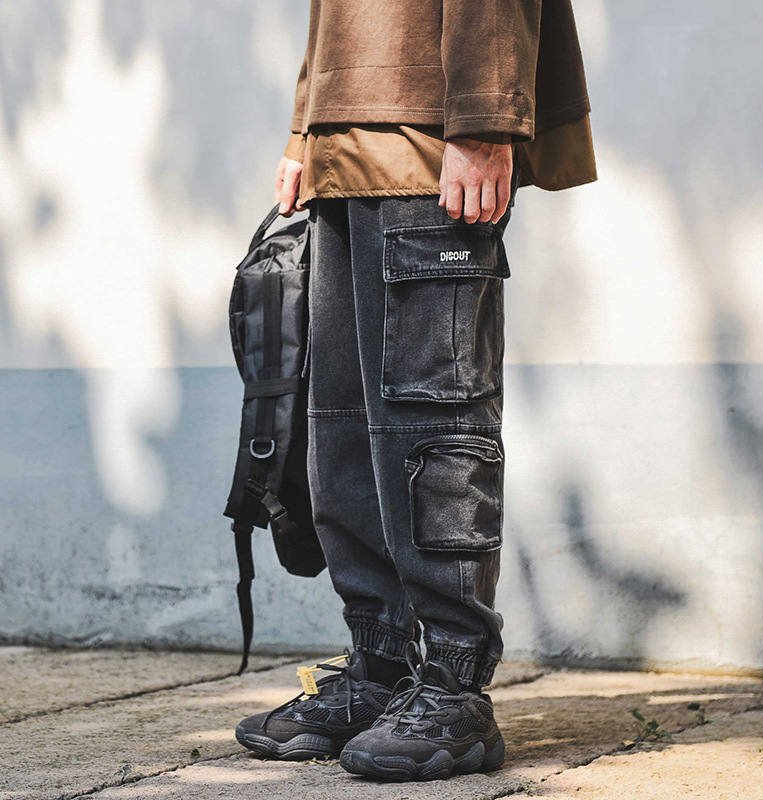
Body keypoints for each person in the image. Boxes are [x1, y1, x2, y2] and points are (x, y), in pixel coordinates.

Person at [236, 0, 597, 782]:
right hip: (346, 139)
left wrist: (485, 121)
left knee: (431, 423)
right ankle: (380, 669)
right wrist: (306, 129)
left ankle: (456, 688)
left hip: (431, 131)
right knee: (342, 422)